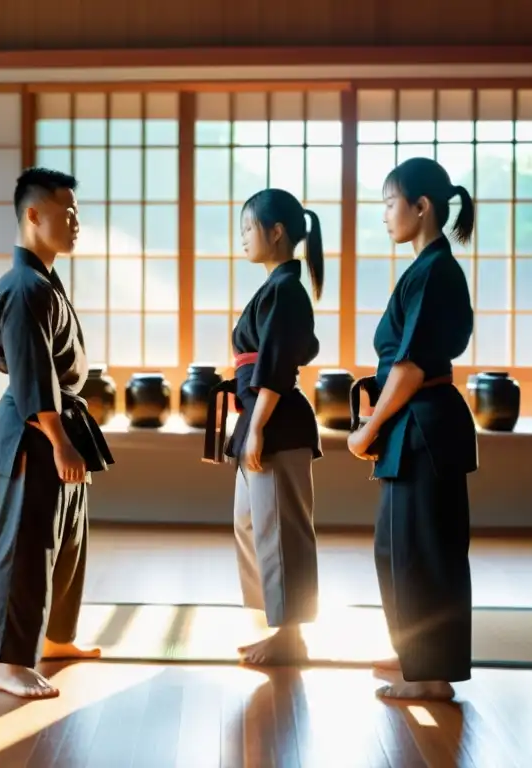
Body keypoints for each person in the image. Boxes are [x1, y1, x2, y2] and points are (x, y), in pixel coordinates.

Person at [346, 157, 478, 702]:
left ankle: (432, 674)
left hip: (422, 423)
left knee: (424, 548)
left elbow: (410, 366)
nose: (383, 216)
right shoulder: (426, 267)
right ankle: (414, 655)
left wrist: (365, 430)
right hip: (414, 425)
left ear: (421, 207)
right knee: (397, 546)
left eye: (388, 204)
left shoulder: (436, 271)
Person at [0, 166, 114, 700]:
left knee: (66, 542)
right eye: (67, 212)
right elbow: (32, 372)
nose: (76, 222)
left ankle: (56, 638)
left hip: (59, 424)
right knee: (26, 545)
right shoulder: (21, 287)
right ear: (33, 216)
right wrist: (58, 440)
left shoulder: (44, 282)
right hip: (36, 429)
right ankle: (5, 662)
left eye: (78, 212)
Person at [203, 188, 324, 666]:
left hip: (275, 423)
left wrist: (256, 427)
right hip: (258, 418)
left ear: (276, 233)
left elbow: (277, 363)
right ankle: (277, 625)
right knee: (251, 523)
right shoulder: (275, 286)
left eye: (248, 229)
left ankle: (292, 637)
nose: (243, 240)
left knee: (281, 531)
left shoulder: (286, 290)